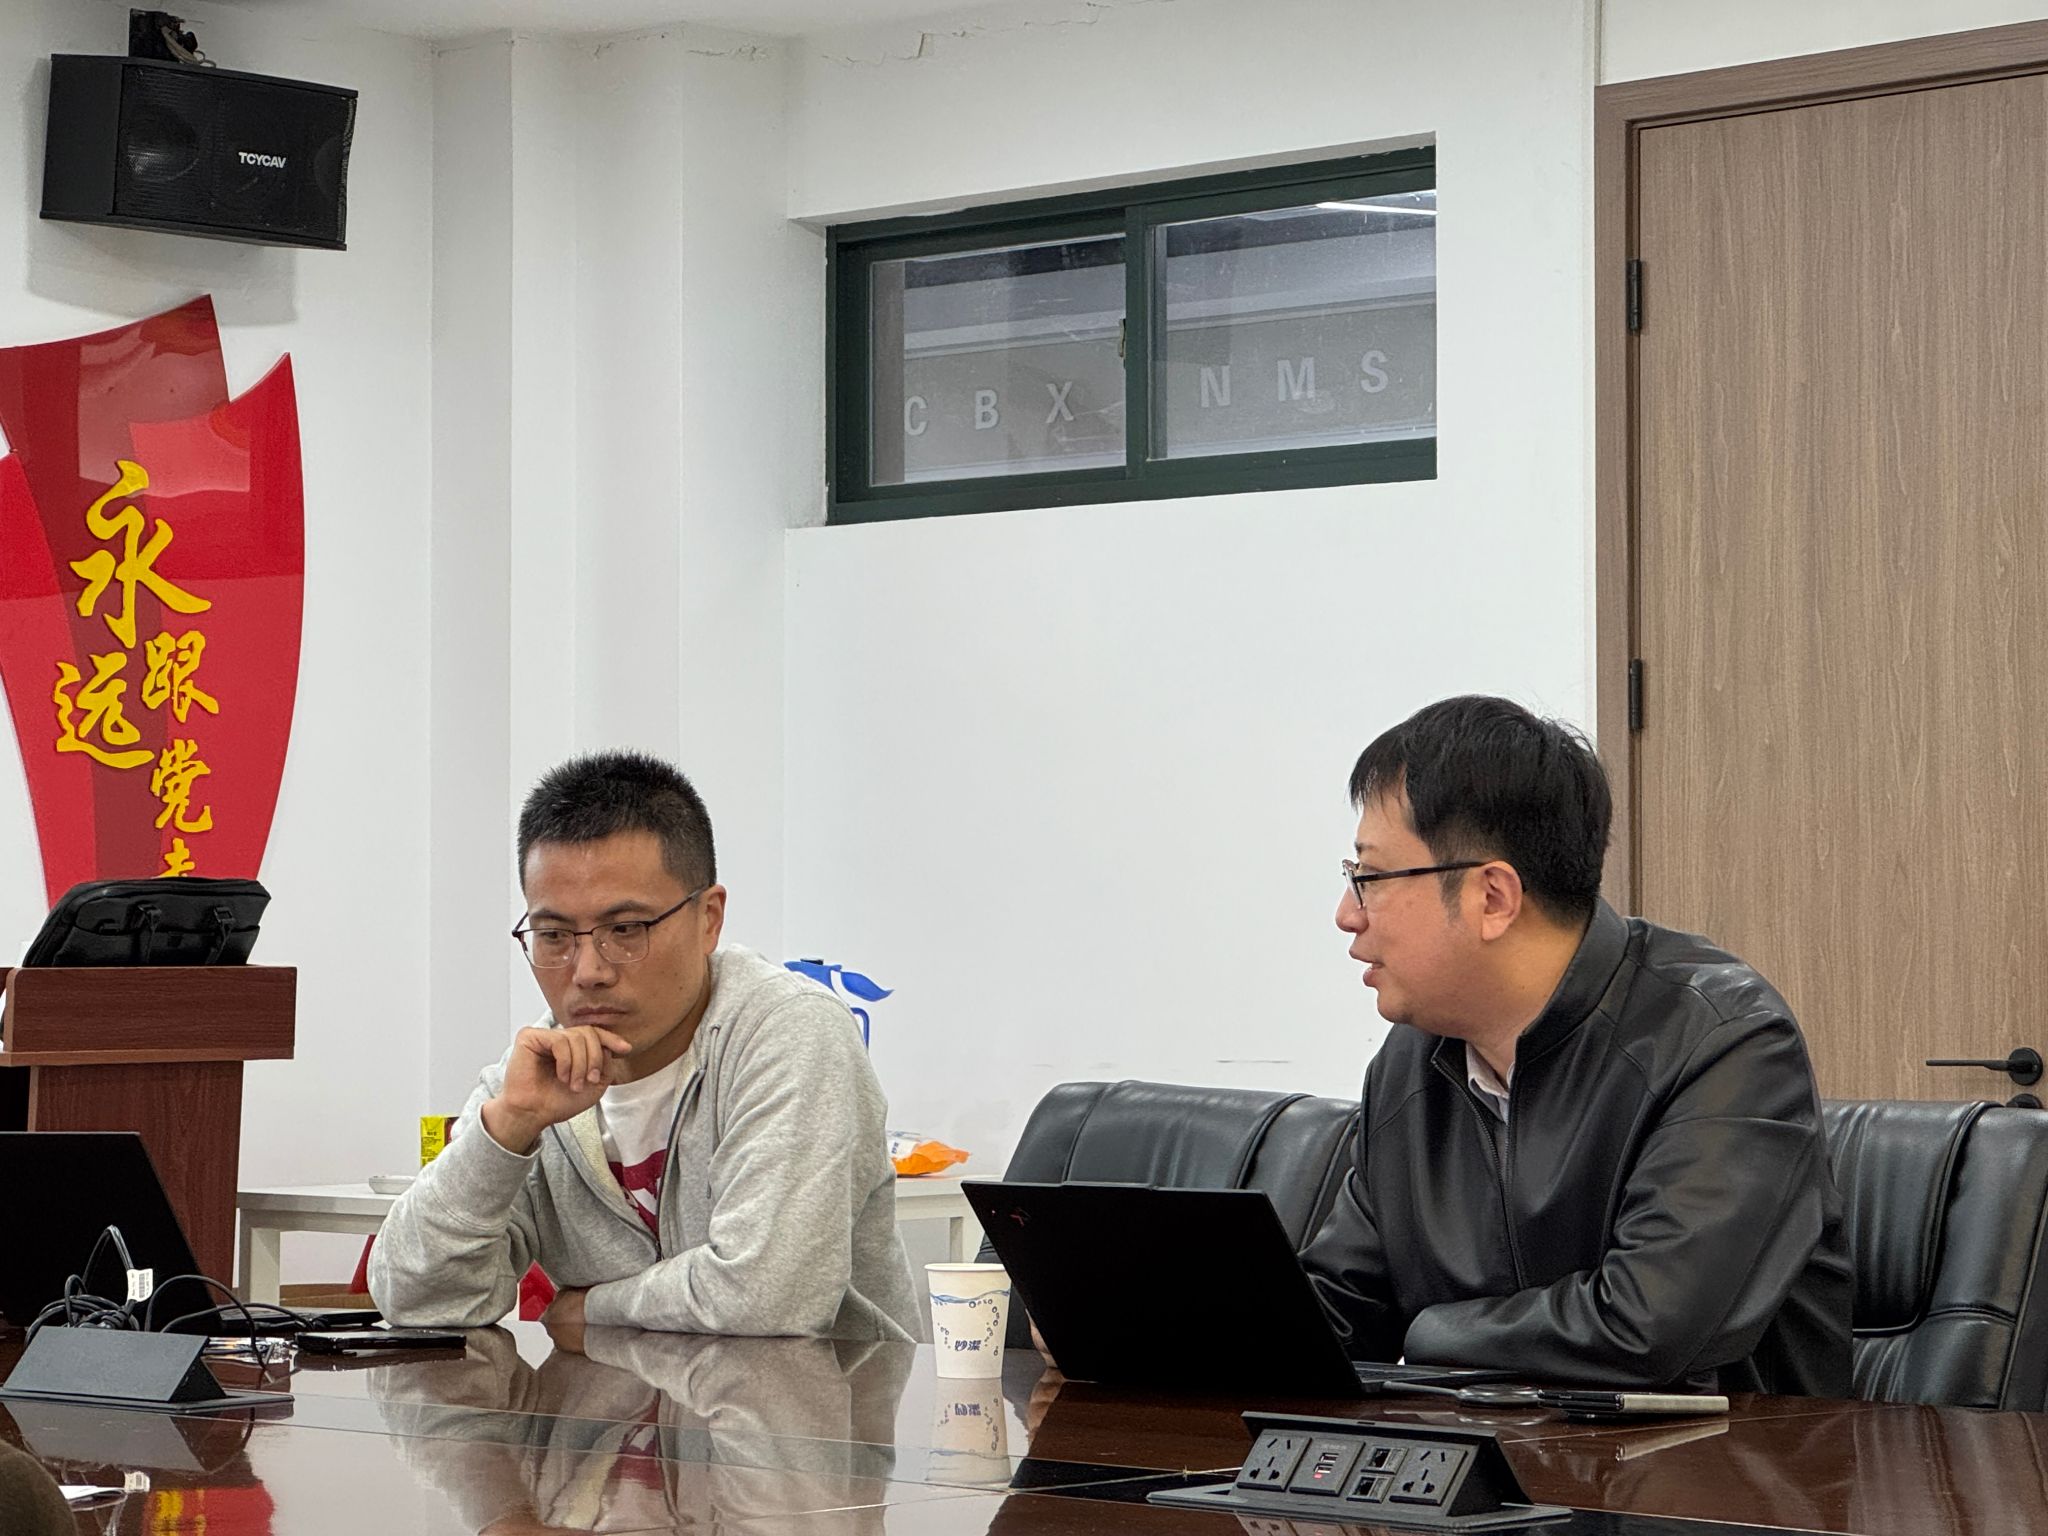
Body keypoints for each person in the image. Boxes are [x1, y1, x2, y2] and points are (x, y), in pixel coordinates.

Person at [1302, 695, 1851, 1393]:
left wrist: (1430, 1335)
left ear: (1493, 897)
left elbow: (1645, 1327)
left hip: (1716, 1460)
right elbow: (1343, 1309)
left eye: (1370, 879)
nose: (1347, 915)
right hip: (1491, 1456)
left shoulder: (1723, 1040)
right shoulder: (1415, 1059)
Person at [371, 751, 920, 1343]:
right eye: (553, 935)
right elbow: (416, 1300)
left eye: (626, 930)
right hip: (608, 1399)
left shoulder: (789, 1031)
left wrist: (591, 1308)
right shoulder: (534, 1074)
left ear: (708, 918)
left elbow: (767, 1300)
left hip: (810, 1400)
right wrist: (506, 1129)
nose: (588, 971)